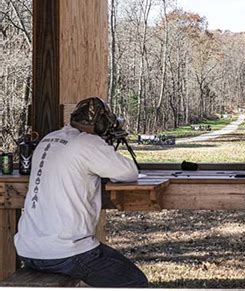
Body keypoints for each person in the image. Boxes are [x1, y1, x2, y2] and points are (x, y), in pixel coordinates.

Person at [14, 97, 148, 288]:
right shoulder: (86, 142)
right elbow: (129, 172)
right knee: (135, 281)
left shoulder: (48, 139)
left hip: (28, 250)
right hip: (66, 252)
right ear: (100, 123)